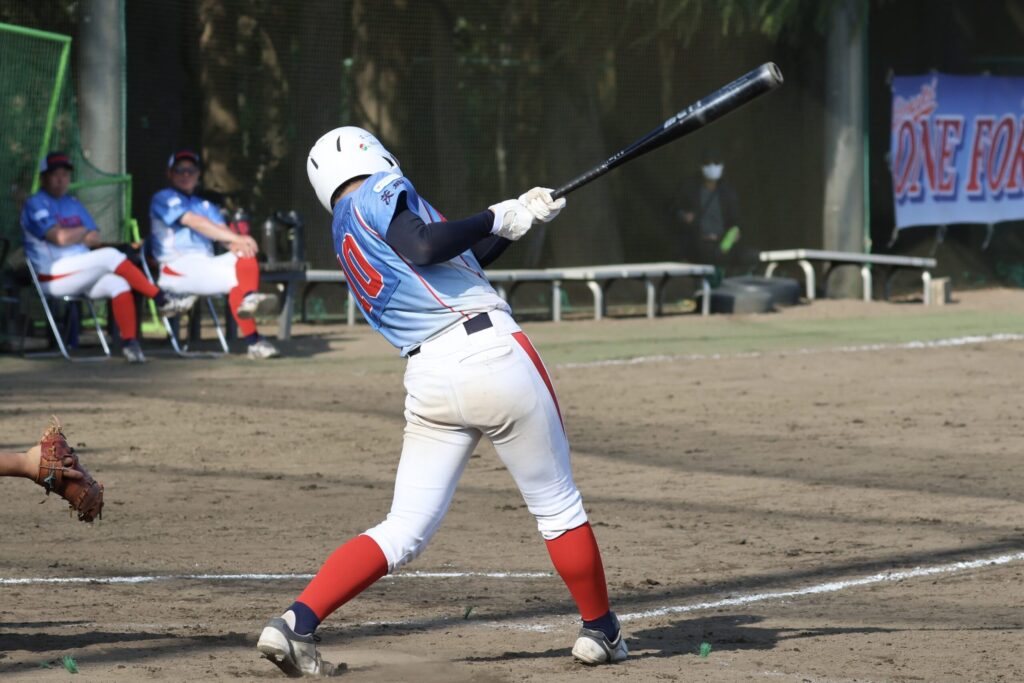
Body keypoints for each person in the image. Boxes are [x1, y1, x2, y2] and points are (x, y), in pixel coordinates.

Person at [255, 127, 627, 676]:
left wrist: (517, 220)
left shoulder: (345, 228)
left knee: (403, 526)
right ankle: (600, 630)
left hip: (429, 377)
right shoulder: (379, 189)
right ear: (370, 154)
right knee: (557, 507)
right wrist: (493, 215)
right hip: (490, 353)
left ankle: (296, 621)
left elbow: (451, 261)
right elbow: (427, 245)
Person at [20, 152, 195, 363]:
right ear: (43, 178)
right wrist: (81, 232)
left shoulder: (73, 203)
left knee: (119, 284)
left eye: (65, 174)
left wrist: (75, 234)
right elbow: (59, 237)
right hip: (52, 275)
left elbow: (95, 238)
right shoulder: (35, 203)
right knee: (110, 255)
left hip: (80, 273)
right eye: (55, 174)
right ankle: (161, 299)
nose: (61, 179)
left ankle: (130, 345)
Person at [149, 149, 279, 359]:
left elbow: (224, 235)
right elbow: (194, 222)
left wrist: (239, 242)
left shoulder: (205, 204)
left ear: (198, 174)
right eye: (180, 170)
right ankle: (254, 335)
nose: (186, 174)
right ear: (170, 174)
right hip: (176, 267)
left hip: (205, 265)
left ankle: (250, 309)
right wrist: (236, 238)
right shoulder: (163, 197)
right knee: (238, 271)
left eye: (191, 170)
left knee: (244, 254)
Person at [678, 149, 741, 276]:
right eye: (709, 163)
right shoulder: (691, 190)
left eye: (716, 163)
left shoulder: (727, 193)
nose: (713, 167)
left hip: (722, 246)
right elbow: (675, 210)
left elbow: (736, 223)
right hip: (699, 246)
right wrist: (684, 216)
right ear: (701, 167)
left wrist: (727, 244)